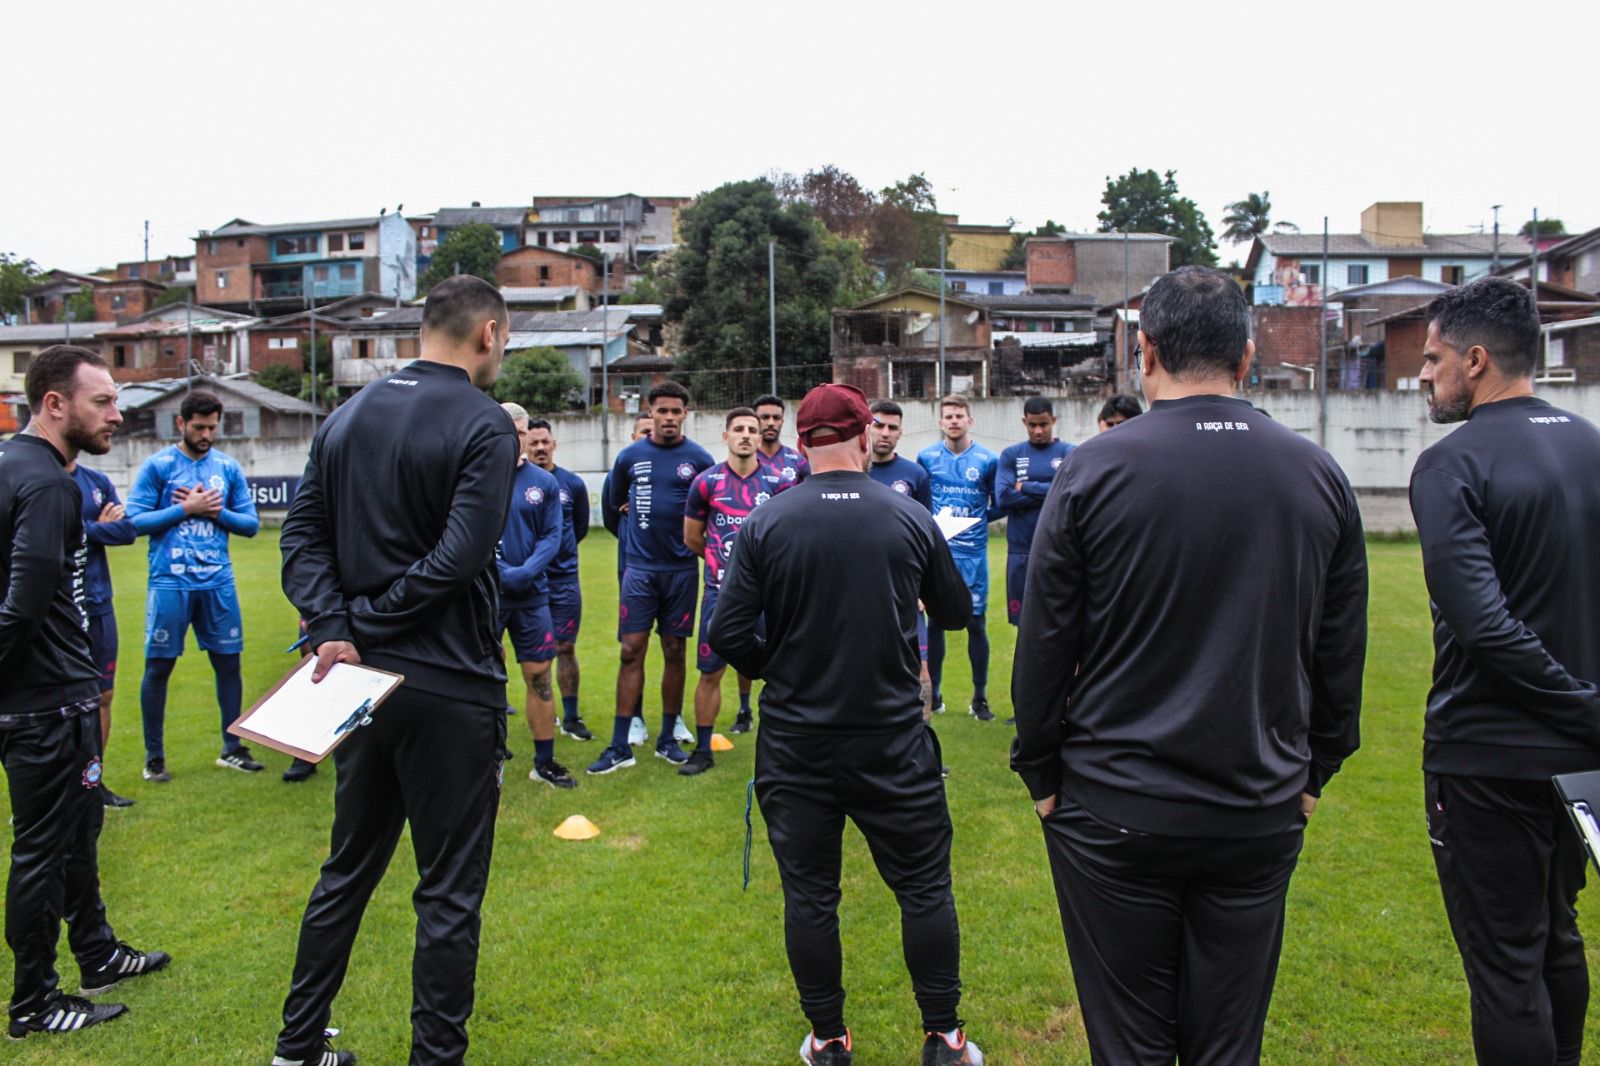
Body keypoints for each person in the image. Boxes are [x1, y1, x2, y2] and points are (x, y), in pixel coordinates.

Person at [1010, 266, 1367, 1066]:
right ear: (1248, 355)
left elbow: (1044, 642)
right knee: (1226, 1047)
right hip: (1250, 804)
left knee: (1131, 1047)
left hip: (1123, 804)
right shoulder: (1316, 473)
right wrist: (1317, 769)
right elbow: (1342, 649)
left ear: (1146, 352)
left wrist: (1040, 769)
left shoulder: (1095, 470)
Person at [273, 275, 521, 1066]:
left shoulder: (345, 416)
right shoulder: (484, 423)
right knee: (447, 892)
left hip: (357, 681)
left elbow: (299, 537)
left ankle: (298, 1046)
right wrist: (359, 626)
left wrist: (339, 630)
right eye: (505, 342)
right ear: (487, 334)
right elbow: (462, 557)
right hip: (447, 684)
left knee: (347, 869)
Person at [709, 383, 983, 1066]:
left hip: (798, 742)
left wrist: (780, 666)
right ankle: (944, 1037)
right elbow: (952, 612)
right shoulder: (907, 515)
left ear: (802, 445)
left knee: (811, 896)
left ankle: (830, 1039)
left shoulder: (768, 521)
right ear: (866, 438)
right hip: (890, 737)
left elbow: (726, 631)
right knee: (923, 888)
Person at [1409, 277, 1600, 1066]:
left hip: (1489, 759)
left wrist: (1585, 710)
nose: (1421, 374)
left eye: (1432, 357)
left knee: (1507, 970)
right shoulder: (1592, 444)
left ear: (1477, 360)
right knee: (1558, 936)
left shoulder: (1451, 465)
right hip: (1580, 765)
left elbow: (1483, 625)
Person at [2, 345, 170, 1040]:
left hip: (42, 698)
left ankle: (96, 953)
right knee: (43, 848)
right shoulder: (46, 484)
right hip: (45, 702)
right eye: (102, 401)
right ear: (54, 404)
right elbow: (25, 605)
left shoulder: (15, 466)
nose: (116, 413)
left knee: (79, 832)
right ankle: (34, 1004)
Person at [125, 390, 261, 781]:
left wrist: (216, 511)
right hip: (171, 580)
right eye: (199, 427)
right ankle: (154, 757)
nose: (206, 434)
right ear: (180, 424)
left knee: (228, 663)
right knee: (158, 667)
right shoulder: (159, 466)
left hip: (217, 580)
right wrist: (184, 509)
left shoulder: (228, 468)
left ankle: (232, 748)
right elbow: (133, 523)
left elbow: (250, 525)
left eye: (212, 427)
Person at [590, 382, 713, 774]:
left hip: (680, 572)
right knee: (631, 650)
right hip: (640, 572)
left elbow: (712, 508)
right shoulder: (630, 457)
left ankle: (666, 738)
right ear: (651, 412)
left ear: (685, 415)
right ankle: (619, 743)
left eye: (677, 412)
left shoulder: (699, 459)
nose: (670, 418)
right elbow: (615, 507)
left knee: (675, 651)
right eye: (663, 411)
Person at [681, 407, 782, 775]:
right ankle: (703, 749)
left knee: (779, 671)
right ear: (725, 436)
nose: (745, 435)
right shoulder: (706, 483)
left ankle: (781, 748)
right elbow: (693, 537)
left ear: (760, 438)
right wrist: (724, 568)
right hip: (720, 596)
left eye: (751, 430)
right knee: (709, 672)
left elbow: (786, 540)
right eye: (737, 429)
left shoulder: (777, 484)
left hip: (769, 599)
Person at [497, 404, 573, 790]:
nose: (516, 436)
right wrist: (497, 573)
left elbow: (551, 536)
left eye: (521, 430)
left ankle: (544, 762)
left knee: (540, 677)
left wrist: (525, 572)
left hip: (531, 596)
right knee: (480, 676)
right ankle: (485, 757)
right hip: (485, 596)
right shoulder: (474, 476)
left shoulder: (544, 484)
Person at [917, 394, 999, 720]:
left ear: (970, 421)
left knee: (976, 624)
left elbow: (1000, 500)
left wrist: (975, 520)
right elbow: (920, 503)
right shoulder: (926, 458)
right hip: (939, 554)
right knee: (935, 623)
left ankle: (979, 699)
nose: (954, 421)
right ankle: (934, 695)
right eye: (948, 416)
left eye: (959, 416)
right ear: (940, 423)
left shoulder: (987, 460)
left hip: (973, 554)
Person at [69, 459, 138, 807]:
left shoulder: (95, 481)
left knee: (102, 697)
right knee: (58, 703)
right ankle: (48, 792)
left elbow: (127, 531)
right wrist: (94, 527)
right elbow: (45, 531)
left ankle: (92, 783)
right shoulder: (38, 477)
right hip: (61, 607)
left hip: (99, 603)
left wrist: (83, 529)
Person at [525, 418, 593, 743]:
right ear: (525, 444)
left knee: (565, 647)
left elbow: (578, 529)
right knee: (536, 653)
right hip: (527, 583)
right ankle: (543, 710)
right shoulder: (517, 482)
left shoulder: (572, 484)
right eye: (533, 442)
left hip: (564, 581)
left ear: (554, 444)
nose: (540, 447)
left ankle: (571, 716)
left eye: (545, 442)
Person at [866, 399, 935, 716]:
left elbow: (926, 536)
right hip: (862, 589)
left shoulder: (915, 474)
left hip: (905, 590)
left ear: (901, 432)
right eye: (879, 425)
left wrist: (923, 588)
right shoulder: (854, 472)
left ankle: (922, 751)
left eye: (892, 427)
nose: (885, 433)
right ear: (867, 427)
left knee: (919, 671)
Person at [600, 412, 655, 749]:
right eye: (643, 432)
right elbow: (610, 518)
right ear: (634, 436)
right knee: (633, 648)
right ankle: (635, 716)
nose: (649, 437)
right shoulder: (622, 473)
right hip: (632, 570)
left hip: (670, 572)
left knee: (673, 647)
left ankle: (672, 719)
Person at [752, 393, 810, 488]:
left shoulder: (798, 460)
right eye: (765, 417)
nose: (771, 423)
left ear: (782, 422)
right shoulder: (746, 460)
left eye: (776, 418)